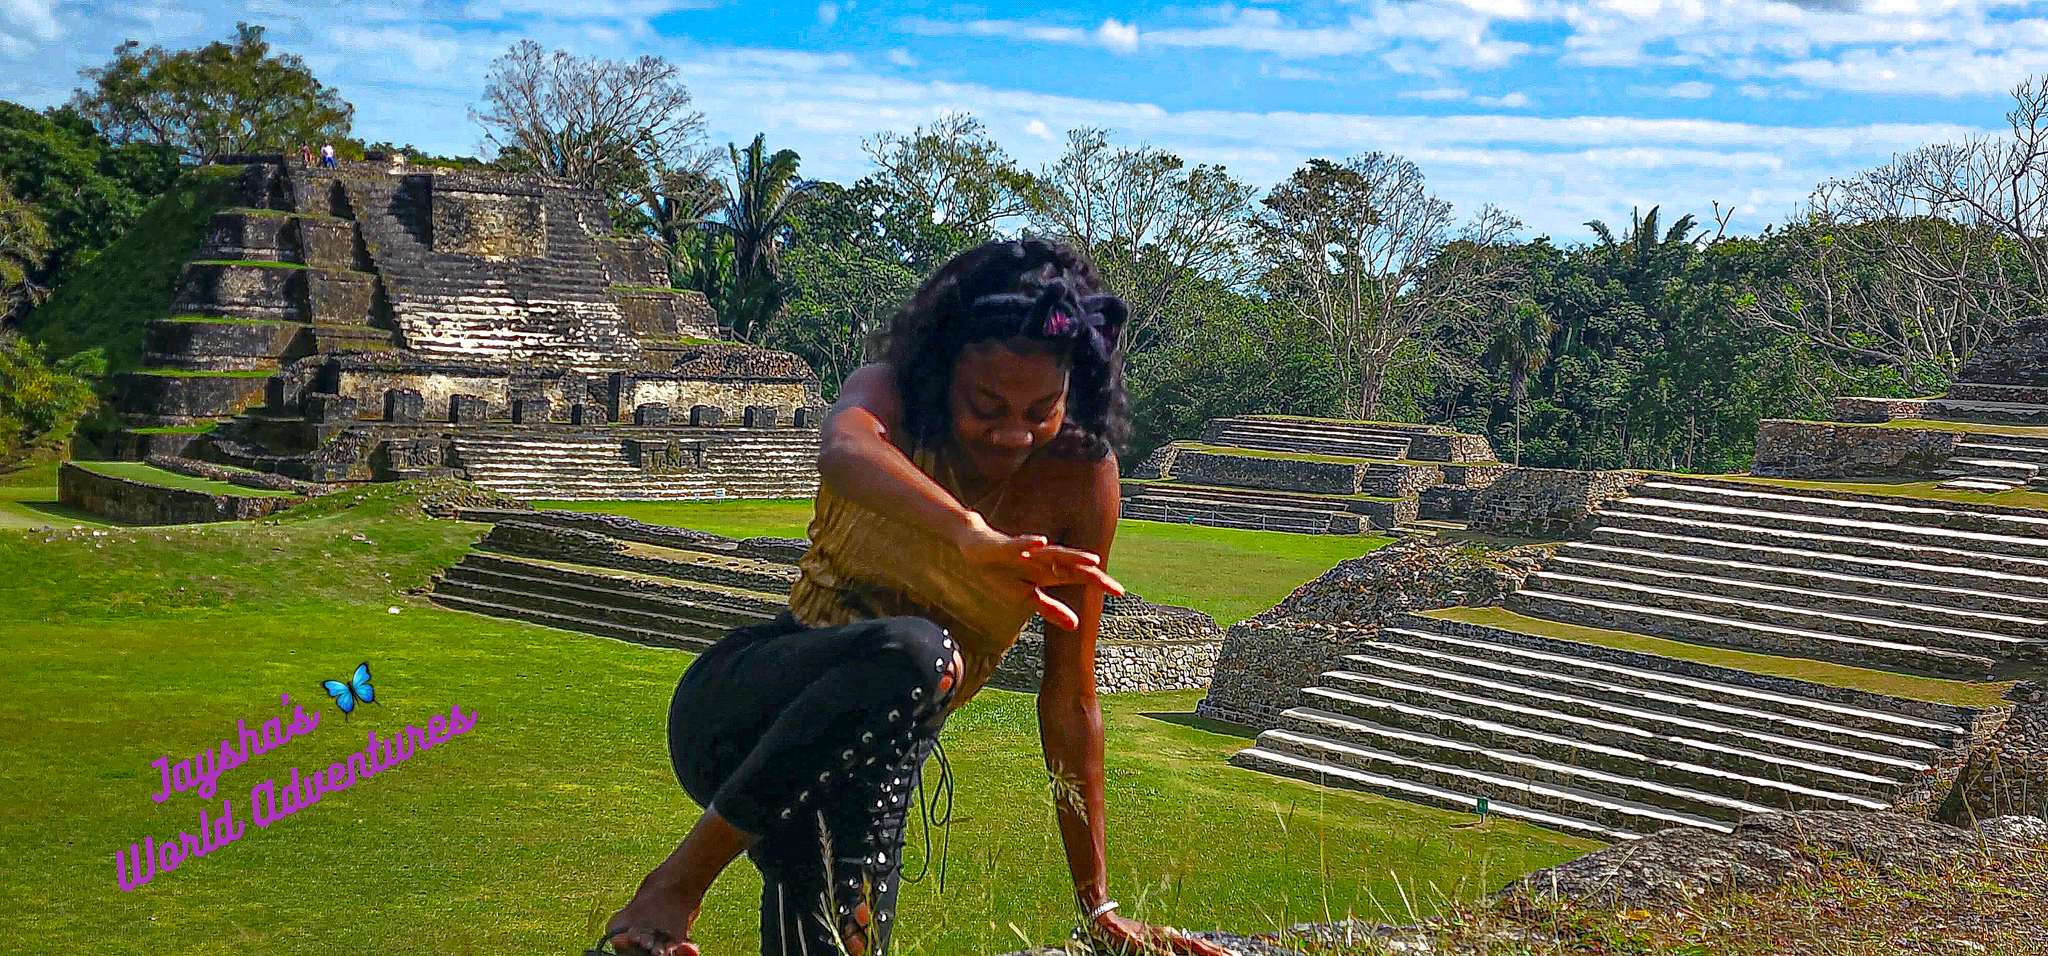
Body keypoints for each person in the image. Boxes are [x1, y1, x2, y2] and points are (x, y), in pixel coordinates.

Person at [591, 238, 1236, 956]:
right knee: (924, 651)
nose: (1014, 431)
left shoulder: (1081, 478)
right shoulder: (889, 395)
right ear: (942, 372)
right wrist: (966, 532)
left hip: (876, 765)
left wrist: (1100, 909)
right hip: (747, 709)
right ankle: (676, 885)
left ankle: (641, 939)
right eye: (987, 405)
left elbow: (1070, 698)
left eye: (1042, 407)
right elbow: (843, 452)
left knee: (840, 939)